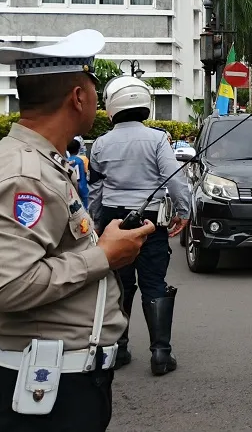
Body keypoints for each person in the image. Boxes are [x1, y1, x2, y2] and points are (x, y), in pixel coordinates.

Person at [0, 29, 155, 432]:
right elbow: (6, 285)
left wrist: (101, 245)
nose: (99, 101)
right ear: (78, 97)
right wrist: (104, 256)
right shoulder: (24, 176)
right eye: (95, 89)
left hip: (45, 383)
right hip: (37, 394)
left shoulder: (39, 161)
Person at [89, 76, 191, 376]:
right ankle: (161, 354)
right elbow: (174, 179)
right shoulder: (158, 139)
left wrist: (96, 223)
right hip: (150, 221)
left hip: (113, 222)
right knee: (154, 283)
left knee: (118, 284)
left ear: (111, 107)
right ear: (145, 105)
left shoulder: (100, 144)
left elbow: (95, 190)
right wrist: (184, 211)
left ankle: (118, 349)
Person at [68, 136, 90, 208]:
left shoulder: (66, 160)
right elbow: (82, 175)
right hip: (81, 187)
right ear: (78, 149)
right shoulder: (80, 160)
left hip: (71, 188)